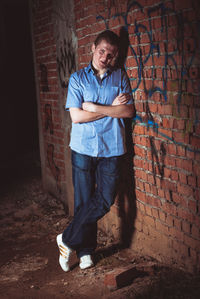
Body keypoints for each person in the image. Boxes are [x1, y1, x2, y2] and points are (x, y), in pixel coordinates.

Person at [56, 30, 134, 271]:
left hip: (112, 148)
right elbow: (77, 117)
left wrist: (97, 107)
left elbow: (128, 112)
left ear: (116, 56)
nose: (105, 57)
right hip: (83, 148)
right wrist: (110, 108)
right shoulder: (78, 78)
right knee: (83, 201)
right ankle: (86, 251)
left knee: (104, 199)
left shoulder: (120, 76)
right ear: (92, 48)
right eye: (102, 51)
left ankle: (65, 239)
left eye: (110, 54)